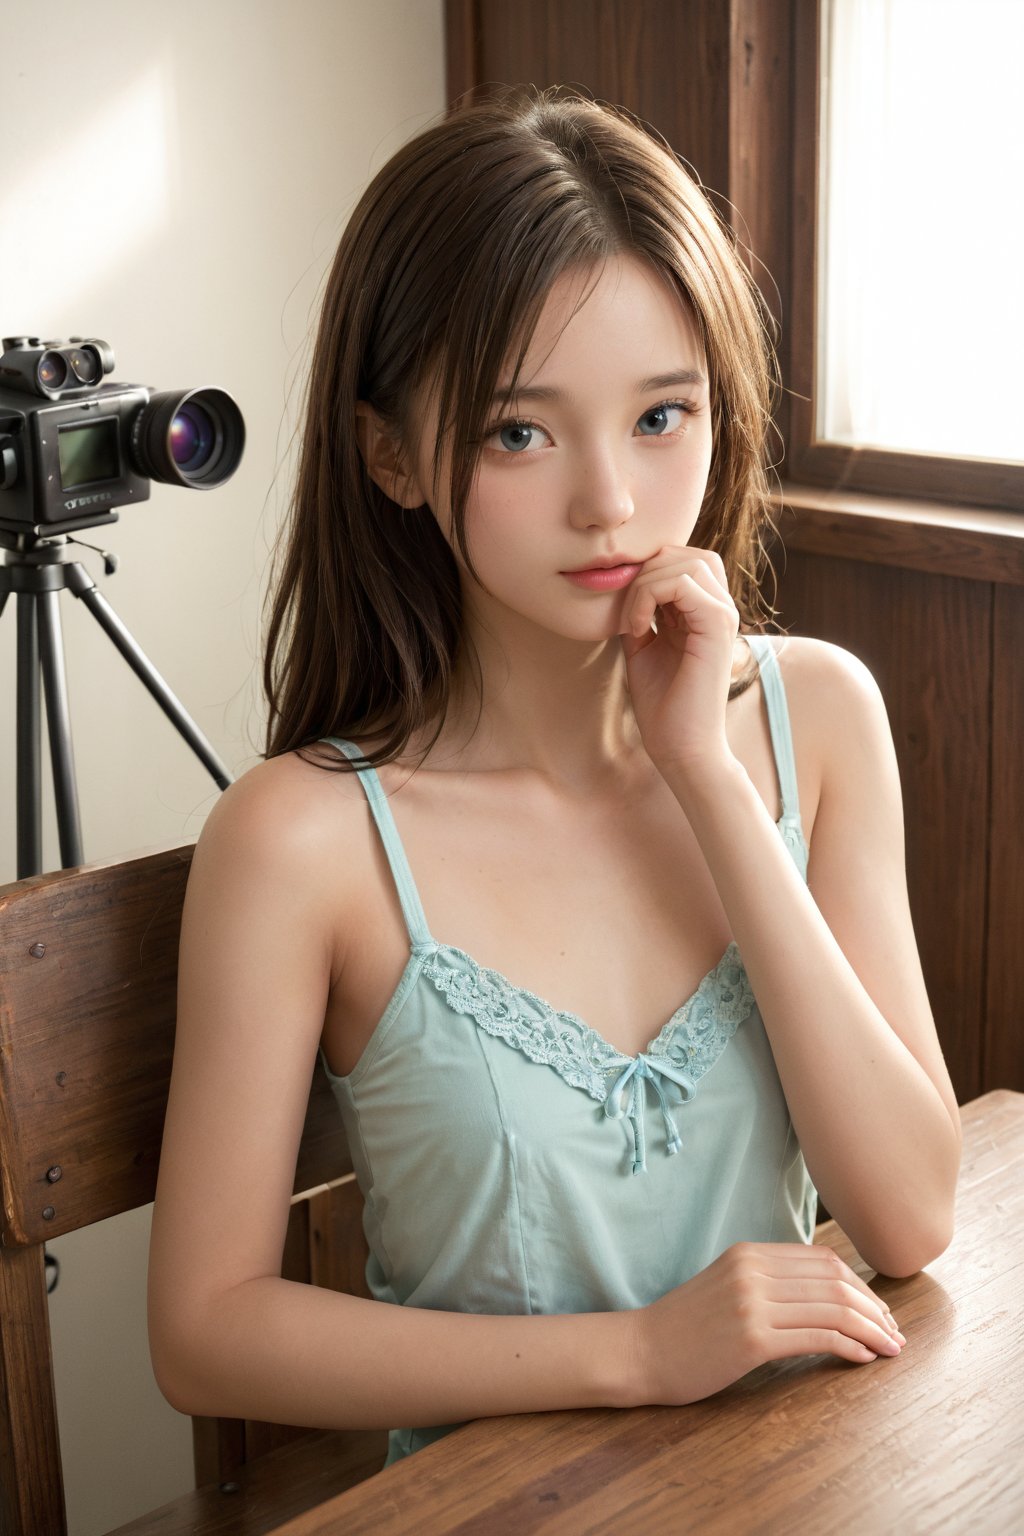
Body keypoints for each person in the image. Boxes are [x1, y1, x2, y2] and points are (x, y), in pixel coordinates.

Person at [148, 87, 961, 1466]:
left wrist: (706, 773)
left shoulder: (814, 717)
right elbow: (204, 1328)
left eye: (662, 416)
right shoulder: (302, 840)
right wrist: (640, 1355)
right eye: (520, 432)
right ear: (391, 454)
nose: (612, 501)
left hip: (802, 1482)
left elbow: (909, 1219)